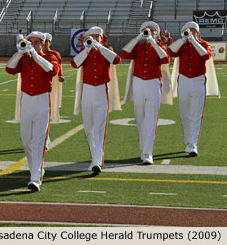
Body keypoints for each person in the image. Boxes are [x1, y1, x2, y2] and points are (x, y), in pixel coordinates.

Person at [6, 31, 59, 192]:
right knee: (26, 140)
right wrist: (19, 52)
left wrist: (35, 56)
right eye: (31, 42)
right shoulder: (24, 58)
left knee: (39, 140)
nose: (33, 45)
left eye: (37, 42)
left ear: (43, 44)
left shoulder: (49, 57)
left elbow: (52, 71)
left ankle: (35, 177)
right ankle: (35, 170)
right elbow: (9, 69)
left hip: (42, 100)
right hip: (27, 101)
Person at [71, 26, 121, 173]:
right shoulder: (84, 51)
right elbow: (75, 63)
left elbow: (116, 59)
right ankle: (94, 158)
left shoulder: (107, 50)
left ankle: (97, 161)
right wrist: (87, 49)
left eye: (97, 37)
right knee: (88, 128)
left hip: (101, 91)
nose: (95, 39)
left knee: (99, 128)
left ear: (102, 38)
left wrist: (99, 46)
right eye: (92, 37)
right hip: (87, 91)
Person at [121, 21, 171, 165]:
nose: (148, 33)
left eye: (152, 31)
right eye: (145, 31)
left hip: (153, 83)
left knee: (151, 119)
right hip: (138, 83)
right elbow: (125, 53)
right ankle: (144, 148)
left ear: (156, 34)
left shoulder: (159, 47)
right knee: (139, 117)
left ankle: (147, 153)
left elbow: (165, 59)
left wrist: (154, 42)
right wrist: (138, 38)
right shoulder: (137, 46)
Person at [168, 21, 220, 156]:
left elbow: (206, 56)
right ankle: (188, 141)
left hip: (198, 80)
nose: (190, 32)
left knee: (195, 114)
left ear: (198, 32)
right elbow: (171, 52)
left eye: (193, 30)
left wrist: (194, 41)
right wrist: (183, 39)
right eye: (187, 30)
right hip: (184, 80)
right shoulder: (182, 45)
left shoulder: (203, 44)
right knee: (184, 114)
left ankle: (193, 144)